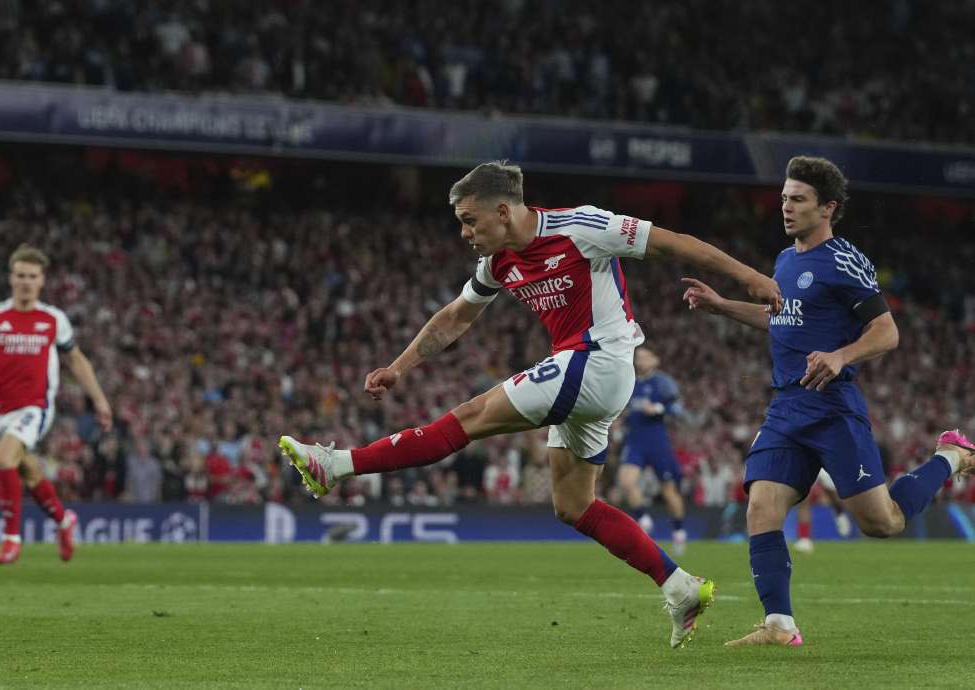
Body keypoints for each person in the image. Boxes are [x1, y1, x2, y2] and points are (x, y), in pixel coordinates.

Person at [278, 160, 783, 648]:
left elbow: (676, 244)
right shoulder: (497, 261)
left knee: (470, 417)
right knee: (573, 506)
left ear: (503, 211)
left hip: (598, 360)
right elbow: (456, 317)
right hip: (582, 375)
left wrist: (750, 277)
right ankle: (679, 586)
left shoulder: (582, 227)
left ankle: (337, 465)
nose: (464, 233)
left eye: (469, 220)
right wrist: (399, 366)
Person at [681, 155, 975, 648]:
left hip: (832, 406)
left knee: (881, 523)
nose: (786, 208)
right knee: (761, 506)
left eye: (798, 200)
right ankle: (779, 624)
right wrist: (721, 307)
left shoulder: (845, 259)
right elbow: (780, 319)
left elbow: (887, 331)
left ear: (828, 208)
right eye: (783, 199)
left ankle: (951, 456)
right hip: (786, 407)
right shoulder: (784, 260)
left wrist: (841, 355)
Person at [0, 244, 113, 565]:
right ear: (11, 278)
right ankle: (62, 520)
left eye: (32, 276)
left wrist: (99, 400)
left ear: (42, 280)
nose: (26, 282)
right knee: (27, 470)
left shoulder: (53, 319)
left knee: (4, 461)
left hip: (36, 407)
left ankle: (11, 539)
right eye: (20, 275)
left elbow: (76, 360)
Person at [618, 347, 689, 555]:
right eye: (638, 357)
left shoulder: (663, 383)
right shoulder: (629, 383)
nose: (640, 361)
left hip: (658, 442)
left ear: (655, 360)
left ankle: (679, 531)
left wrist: (658, 409)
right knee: (626, 482)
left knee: (668, 490)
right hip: (635, 441)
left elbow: (678, 409)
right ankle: (643, 519)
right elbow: (624, 409)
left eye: (645, 357)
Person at [792, 469, 851, 554]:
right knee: (804, 499)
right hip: (805, 460)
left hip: (824, 461)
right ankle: (804, 539)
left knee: (834, 497)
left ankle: (839, 511)